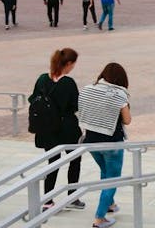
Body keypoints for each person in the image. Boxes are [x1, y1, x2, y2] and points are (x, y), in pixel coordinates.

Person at [79, 62, 131, 228]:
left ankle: (109, 204)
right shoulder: (119, 94)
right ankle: (99, 218)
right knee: (112, 179)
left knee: (105, 171)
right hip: (112, 143)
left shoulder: (87, 89)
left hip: (91, 141)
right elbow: (127, 120)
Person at [32, 48, 84, 212]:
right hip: (67, 127)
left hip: (47, 128)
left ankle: (47, 200)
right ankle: (72, 196)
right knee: (74, 161)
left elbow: (33, 98)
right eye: (73, 64)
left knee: (52, 163)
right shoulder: (68, 82)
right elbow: (76, 105)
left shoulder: (42, 79)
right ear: (68, 64)